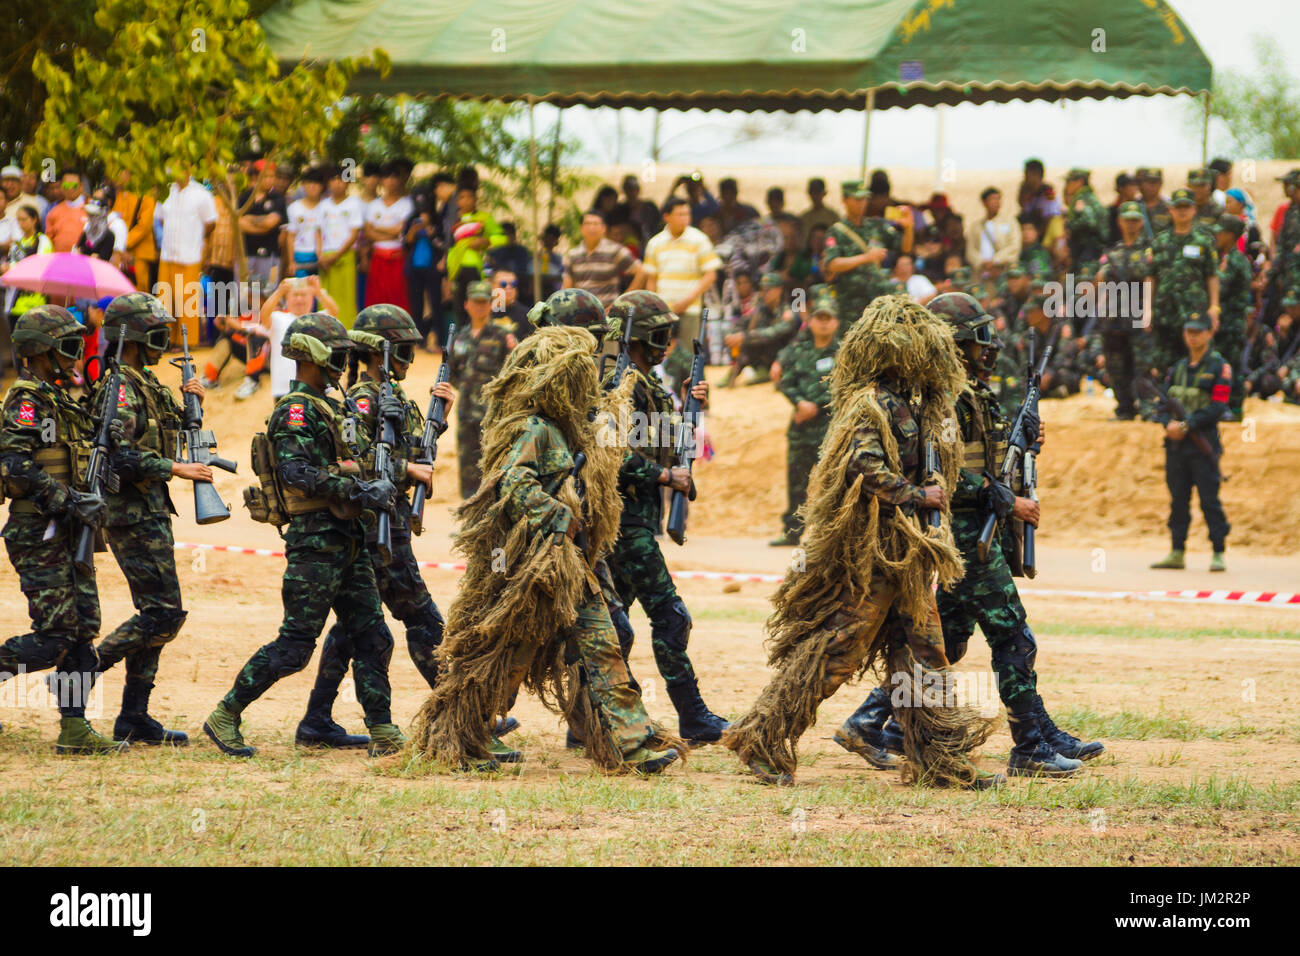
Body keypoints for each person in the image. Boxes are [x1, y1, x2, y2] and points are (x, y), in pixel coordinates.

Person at [723, 295, 1000, 789]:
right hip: (872, 556)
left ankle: (939, 762)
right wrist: (918, 494)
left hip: (905, 559)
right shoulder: (869, 404)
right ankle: (760, 739)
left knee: (925, 658)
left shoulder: (914, 406)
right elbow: (864, 468)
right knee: (837, 654)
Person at [407, 325, 682, 775]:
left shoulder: (566, 431)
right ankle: (462, 737)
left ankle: (631, 745)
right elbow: (513, 483)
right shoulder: (534, 429)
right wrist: (558, 516)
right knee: (510, 654)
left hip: (571, 562)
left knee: (603, 647)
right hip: (538, 565)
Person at [204, 312, 403, 758]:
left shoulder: (334, 403)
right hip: (316, 541)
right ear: (313, 355)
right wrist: (357, 487)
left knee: (372, 634)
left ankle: (383, 730)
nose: (343, 360)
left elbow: (358, 455)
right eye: (336, 353)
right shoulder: (296, 409)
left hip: (347, 535)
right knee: (295, 645)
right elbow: (296, 473)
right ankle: (226, 714)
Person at [915, 293, 1099, 776]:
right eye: (980, 340)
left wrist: (1025, 443)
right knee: (1014, 636)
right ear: (955, 346)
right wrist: (1004, 499)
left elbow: (991, 456)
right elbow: (946, 473)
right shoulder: (947, 397)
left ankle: (876, 724)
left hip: (979, 531)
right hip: (965, 533)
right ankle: (1029, 746)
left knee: (949, 640)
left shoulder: (973, 391)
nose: (990, 348)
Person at [292, 305, 481, 750]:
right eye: (405, 350)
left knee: (355, 628)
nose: (409, 360)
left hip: (388, 521)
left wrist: (441, 418)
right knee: (421, 618)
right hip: (379, 524)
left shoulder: (390, 393)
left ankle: (317, 719)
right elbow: (359, 460)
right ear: (382, 349)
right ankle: (462, 714)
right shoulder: (363, 396)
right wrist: (406, 472)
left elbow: (415, 451)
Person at [602, 291, 729, 746]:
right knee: (670, 617)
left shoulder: (648, 383)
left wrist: (689, 407)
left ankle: (590, 718)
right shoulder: (616, 384)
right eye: (659, 335)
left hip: (639, 519)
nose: (667, 344)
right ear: (634, 337)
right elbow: (608, 453)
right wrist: (663, 475)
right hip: (620, 521)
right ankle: (691, 716)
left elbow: (661, 440)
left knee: (611, 626)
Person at [91, 293, 210, 745]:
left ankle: (133, 717)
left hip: (151, 510)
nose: (163, 342)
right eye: (156, 333)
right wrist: (174, 469)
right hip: (129, 513)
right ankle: (84, 670)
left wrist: (190, 404)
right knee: (163, 614)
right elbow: (120, 454)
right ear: (134, 338)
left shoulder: (146, 383)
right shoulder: (120, 386)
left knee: (156, 613)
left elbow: (164, 435)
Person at [0, 306, 121, 753]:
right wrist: (68, 500)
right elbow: (13, 463)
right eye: (67, 348)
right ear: (39, 353)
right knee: (54, 638)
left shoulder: (61, 399)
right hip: (38, 532)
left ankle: (74, 730)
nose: (75, 356)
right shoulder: (27, 399)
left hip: (70, 530)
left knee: (83, 630)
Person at [1149, 313, 1231, 573]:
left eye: (1198, 331)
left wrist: (1187, 425)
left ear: (1209, 334)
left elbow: (1219, 406)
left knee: (1209, 500)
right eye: (1189, 331)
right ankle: (1176, 551)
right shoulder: (1178, 368)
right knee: (1178, 500)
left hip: (1203, 444)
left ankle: (1218, 552)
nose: (1192, 336)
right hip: (1176, 447)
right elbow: (1162, 404)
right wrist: (1167, 424)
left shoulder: (1219, 367)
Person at [770, 287, 838, 547]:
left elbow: (842, 387)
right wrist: (799, 402)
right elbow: (785, 381)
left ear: (836, 322)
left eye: (828, 318)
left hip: (829, 430)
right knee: (796, 483)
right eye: (819, 317)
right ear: (809, 321)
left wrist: (815, 407)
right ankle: (792, 532)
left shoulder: (842, 352)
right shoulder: (799, 350)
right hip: (800, 430)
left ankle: (829, 536)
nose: (823, 322)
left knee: (831, 485)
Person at [447, 279, 515, 498]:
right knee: (468, 469)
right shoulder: (459, 338)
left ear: (491, 305)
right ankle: (469, 517)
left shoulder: (503, 337)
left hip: (493, 415)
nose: (479, 306)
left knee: (494, 466)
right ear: (466, 304)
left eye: (484, 302)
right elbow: (452, 373)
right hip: (466, 414)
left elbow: (513, 371)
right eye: (475, 302)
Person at [1146, 188, 1219, 385]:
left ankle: (1193, 403)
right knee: (1162, 360)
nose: (1182, 211)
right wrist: (1146, 309)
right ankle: (1165, 405)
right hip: (1165, 311)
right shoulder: (1159, 242)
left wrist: (1214, 307)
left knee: (1196, 357)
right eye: (1178, 207)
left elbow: (1212, 276)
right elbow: (1150, 277)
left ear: (1194, 209)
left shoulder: (1204, 241)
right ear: (1170, 210)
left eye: (1186, 207)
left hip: (1193, 311)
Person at [1096, 201, 1155, 420]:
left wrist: (1148, 311)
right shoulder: (1113, 253)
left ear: (1141, 222)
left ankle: (1148, 406)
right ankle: (1125, 407)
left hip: (1139, 314)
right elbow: (1100, 281)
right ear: (1119, 221)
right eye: (1127, 220)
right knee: (1116, 364)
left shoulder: (1149, 251)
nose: (1131, 224)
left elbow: (1151, 280)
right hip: (1114, 318)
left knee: (1144, 363)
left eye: (1135, 220)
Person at [823, 179, 901, 335]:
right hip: (851, 308)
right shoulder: (837, 231)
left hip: (878, 306)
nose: (862, 203)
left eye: (864, 198)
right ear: (845, 200)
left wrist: (909, 226)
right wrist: (866, 257)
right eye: (857, 199)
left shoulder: (876, 226)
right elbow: (832, 264)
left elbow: (904, 247)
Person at [641, 196, 721, 349]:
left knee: (689, 355)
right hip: (662, 310)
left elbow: (710, 275)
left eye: (687, 214)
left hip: (690, 308)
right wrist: (654, 307)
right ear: (667, 217)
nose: (685, 218)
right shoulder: (655, 243)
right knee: (659, 352)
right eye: (680, 214)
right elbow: (651, 278)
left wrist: (687, 300)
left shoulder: (699, 240)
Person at [156, 169, 218, 345]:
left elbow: (211, 223)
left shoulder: (201, 194)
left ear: (190, 168)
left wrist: (199, 242)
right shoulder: (166, 191)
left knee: (187, 301)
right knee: (165, 300)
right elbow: (161, 218)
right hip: (167, 254)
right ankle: (165, 341)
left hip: (189, 255)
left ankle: (186, 343)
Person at [258, 275, 339, 401]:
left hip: (317, 387)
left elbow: (334, 311)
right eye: (295, 295)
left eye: (304, 294)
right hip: (284, 389)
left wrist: (319, 292)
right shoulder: (278, 318)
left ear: (312, 298)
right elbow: (264, 315)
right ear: (287, 298)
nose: (299, 299)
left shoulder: (319, 319)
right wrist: (279, 292)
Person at [722, 271, 799, 385]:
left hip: (784, 357)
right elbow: (741, 323)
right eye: (762, 289)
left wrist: (744, 336)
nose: (764, 293)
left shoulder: (787, 312)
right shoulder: (761, 309)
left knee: (752, 337)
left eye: (768, 290)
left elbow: (773, 333)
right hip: (765, 355)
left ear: (779, 290)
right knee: (748, 339)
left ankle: (769, 372)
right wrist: (732, 334)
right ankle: (740, 372)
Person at [1214, 214, 1253, 418]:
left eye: (1220, 232)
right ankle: (1224, 406)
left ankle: (1235, 408)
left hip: (1231, 323)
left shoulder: (1234, 261)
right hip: (1227, 322)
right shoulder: (1228, 258)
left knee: (1231, 365)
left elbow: (1221, 287)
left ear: (1230, 235)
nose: (1217, 236)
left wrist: (1216, 274)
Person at [362, 159, 413, 311]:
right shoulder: (374, 205)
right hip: (378, 258)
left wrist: (378, 228)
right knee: (377, 300)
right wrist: (392, 233)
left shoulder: (407, 204)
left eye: (394, 177)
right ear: (381, 180)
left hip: (398, 258)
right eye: (387, 177)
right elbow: (369, 233)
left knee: (399, 299)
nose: (390, 181)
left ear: (400, 180)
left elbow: (401, 229)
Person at [317, 164, 364, 328]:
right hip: (325, 256)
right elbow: (318, 231)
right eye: (333, 179)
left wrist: (336, 256)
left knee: (346, 296)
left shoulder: (354, 203)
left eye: (341, 180)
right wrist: (320, 254)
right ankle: (325, 329)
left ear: (347, 183)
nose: (337, 183)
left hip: (346, 255)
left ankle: (347, 331)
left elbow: (354, 233)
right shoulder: (323, 205)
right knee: (324, 295)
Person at [562, 210, 640, 308]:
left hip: (608, 315)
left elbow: (641, 271)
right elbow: (567, 288)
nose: (592, 228)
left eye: (596, 224)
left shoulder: (615, 250)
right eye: (588, 224)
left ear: (604, 228)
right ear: (581, 228)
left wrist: (624, 299)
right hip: (581, 313)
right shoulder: (572, 255)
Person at [237, 160, 287, 306]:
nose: (269, 180)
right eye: (265, 176)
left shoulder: (278, 199)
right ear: (255, 177)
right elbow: (238, 223)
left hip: (269, 256)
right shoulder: (244, 198)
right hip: (246, 255)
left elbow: (270, 223)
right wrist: (261, 224)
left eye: (272, 176)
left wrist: (250, 219)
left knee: (267, 295)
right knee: (245, 297)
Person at [111, 171, 158, 293]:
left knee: (138, 292)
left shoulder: (146, 195)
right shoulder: (118, 195)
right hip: (119, 253)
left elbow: (144, 226)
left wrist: (123, 245)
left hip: (138, 254)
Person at [965, 186, 1021, 278]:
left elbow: (1014, 246)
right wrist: (982, 262)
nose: (996, 202)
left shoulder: (1010, 223)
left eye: (998, 199)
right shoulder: (976, 226)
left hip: (1004, 271)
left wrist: (996, 260)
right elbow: (970, 250)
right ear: (984, 202)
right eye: (992, 199)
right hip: (981, 272)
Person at [1062, 168, 1107, 273]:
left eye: (1069, 181)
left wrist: (1070, 225)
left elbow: (1089, 222)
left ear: (1080, 182)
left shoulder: (1081, 198)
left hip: (1087, 249)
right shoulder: (1090, 197)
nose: (1067, 185)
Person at [285, 166, 326, 278]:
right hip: (300, 255)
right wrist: (291, 261)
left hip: (323, 257)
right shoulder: (294, 207)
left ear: (322, 186)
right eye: (309, 183)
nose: (312, 187)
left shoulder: (326, 207)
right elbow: (290, 236)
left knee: (320, 292)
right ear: (303, 185)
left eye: (316, 183)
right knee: (302, 291)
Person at [75, 183, 127, 267]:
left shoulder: (117, 225)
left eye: (96, 199)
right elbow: (79, 249)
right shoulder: (89, 224)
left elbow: (117, 258)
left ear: (108, 202)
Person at [44, 170, 88, 254]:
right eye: (66, 185)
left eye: (74, 185)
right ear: (61, 187)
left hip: (84, 261)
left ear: (81, 186)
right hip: (59, 261)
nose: (70, 188)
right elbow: (48, 240)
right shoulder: (54, 212)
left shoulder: (90, 209)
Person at [797, 177, 840, 246]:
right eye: (813, 192)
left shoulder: (832, 216)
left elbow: (836, 238)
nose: (815, 196)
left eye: (818, 192)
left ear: (824, 193)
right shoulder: (804, 218)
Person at [1188, 168, 1225, 235]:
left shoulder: (1218, 211)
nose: (1198, 189)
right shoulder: (1183, 208)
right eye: (1195, 186)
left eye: (1202, 185)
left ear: (1209, 186)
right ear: (1189, 186)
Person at [1136, 167, 1172, 236]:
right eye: (1148, 182)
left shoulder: (1169, 207)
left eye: (1155, 182)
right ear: (1142, 184)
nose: (1152, 185)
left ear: (1161, 184)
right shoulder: (1135, 206)